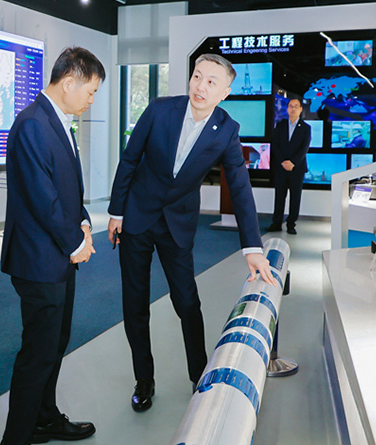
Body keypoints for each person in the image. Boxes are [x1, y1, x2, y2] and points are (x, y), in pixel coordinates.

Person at [108, 53, 275, 412]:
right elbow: (130, 159)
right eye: (197, 76)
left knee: (187, 302)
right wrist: (116, 212)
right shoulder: (160, 110)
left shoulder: (226, 130)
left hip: (177, 224)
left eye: (211, 82)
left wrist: (252, 248)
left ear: (225, 93)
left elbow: (240, 187)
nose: (200, 86)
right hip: (137, 217)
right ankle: (143, 379)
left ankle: (199, 374)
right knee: (135, 303)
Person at [0, 47, 103, 445]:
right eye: (90, 92)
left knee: (54, 344)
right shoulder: (33, 124)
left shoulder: (55, 121)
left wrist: (83, 224)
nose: (91, 100)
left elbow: (67, 189)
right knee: (38, 353)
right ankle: (16, 437)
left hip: (56, 257)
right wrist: (76, 242)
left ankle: (44, 418)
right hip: (39, 259)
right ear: (69, 82)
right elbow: (42, 197)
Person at [267, 98, 311, 235]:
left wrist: (292, 162)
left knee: (295, 197)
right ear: (287, 109)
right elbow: (275, 145)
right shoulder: (280, 125)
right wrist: (283, 161)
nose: (293, 109)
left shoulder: (306, 128)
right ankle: (276, 223)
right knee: (279, 196)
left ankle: (291, 224)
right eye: (290, 106)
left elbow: (304, 148)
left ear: (300, 109)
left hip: (297, 168)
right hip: (281, 167)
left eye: (296, 106)